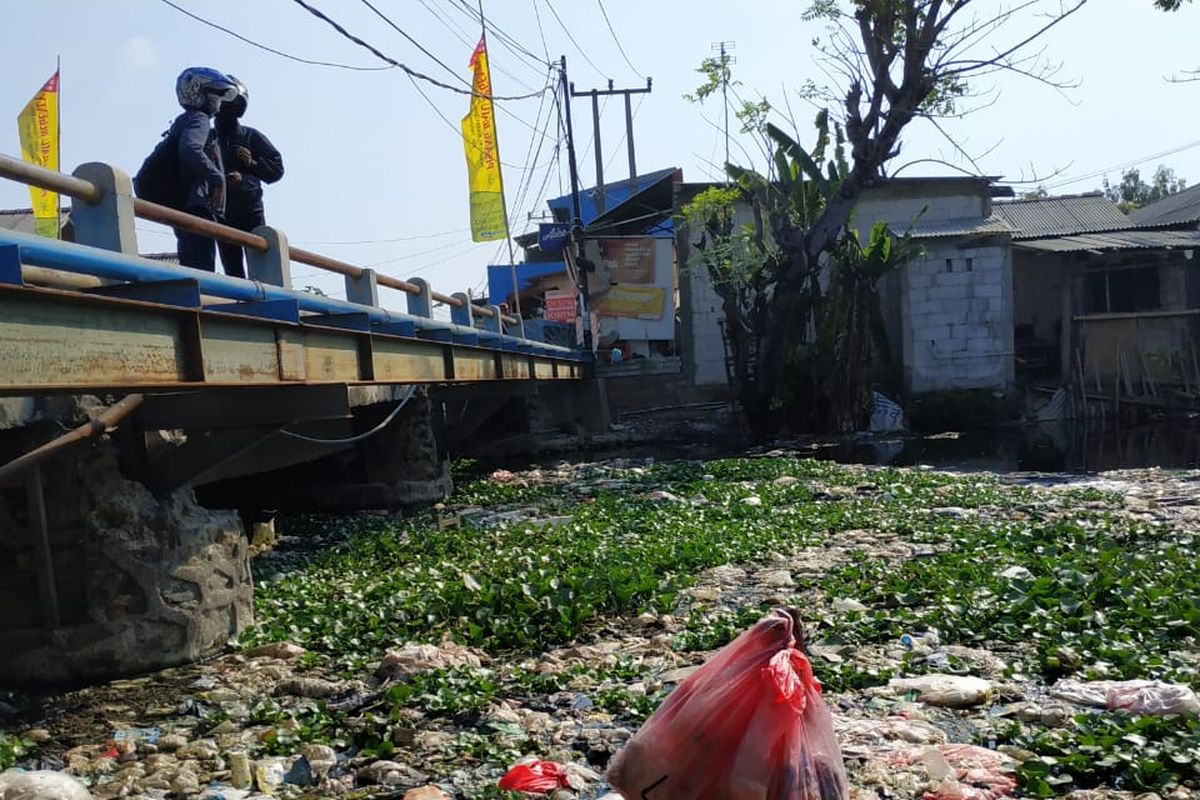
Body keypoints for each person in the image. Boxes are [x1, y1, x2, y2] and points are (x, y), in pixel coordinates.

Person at [216, 76, 285, 279]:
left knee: (261, 268)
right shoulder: (207, 138)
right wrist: (221, 181)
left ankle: (263, 305)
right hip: (222, 213)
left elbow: (277, 169)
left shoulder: (251, 136)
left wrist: (251, 164)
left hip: (251, 212)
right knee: (233, 272)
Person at [169, 67, 237, 271]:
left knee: (194, 265)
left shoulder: (184, 121)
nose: (220, 101)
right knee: (202, 269)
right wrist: (217, 178)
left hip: (186, 204)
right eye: (217, 94)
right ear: (200, 93)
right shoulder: (199, 119)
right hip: (197, 205)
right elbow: (190, 148)